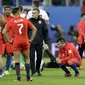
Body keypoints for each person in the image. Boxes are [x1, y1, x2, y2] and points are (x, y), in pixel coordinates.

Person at [2, 7, 37, 81]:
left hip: (16, 42)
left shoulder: (11, 22)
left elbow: (3, 32)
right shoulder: (25, 20)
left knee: (17, 60)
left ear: (13, 13)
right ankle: (28, 77)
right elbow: (34, 29)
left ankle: (18, 78)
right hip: (25, 41)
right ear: (18, 12)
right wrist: (31, 39)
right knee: (27, 59)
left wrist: (8, 41)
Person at [29, 8, 49, 76]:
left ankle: (38, 70)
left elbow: (46, 32)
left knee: (39, 57)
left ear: (38, 13)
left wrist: (46, 42)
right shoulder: (29, 21)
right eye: (32, 13)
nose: (33, 14)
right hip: (31, 42)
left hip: (39, 42)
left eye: (34, 13)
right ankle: (33, 71)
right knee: (31, 57)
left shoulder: (42, 21)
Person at [3, 5, 14, 75]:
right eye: (6, 10)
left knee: (9, 54)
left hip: (9, 39)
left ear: (11, 11)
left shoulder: (13, 19)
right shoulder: (1, 18)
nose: (7, 11)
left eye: (9, 10)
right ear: (3, 11)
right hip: (1, 39)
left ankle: (6, 69)